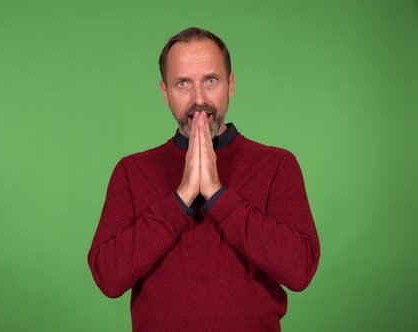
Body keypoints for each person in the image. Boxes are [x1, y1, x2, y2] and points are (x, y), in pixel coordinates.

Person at [87, 27, 320, 331]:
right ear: (165, 92)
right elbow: (108, 278)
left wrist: (217, 194)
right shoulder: (132, 171)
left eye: (211, 81)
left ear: (230, 85)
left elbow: (299, 271)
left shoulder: (277, 165)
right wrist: (181, 197)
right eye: (183, 83)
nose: (199, 100)